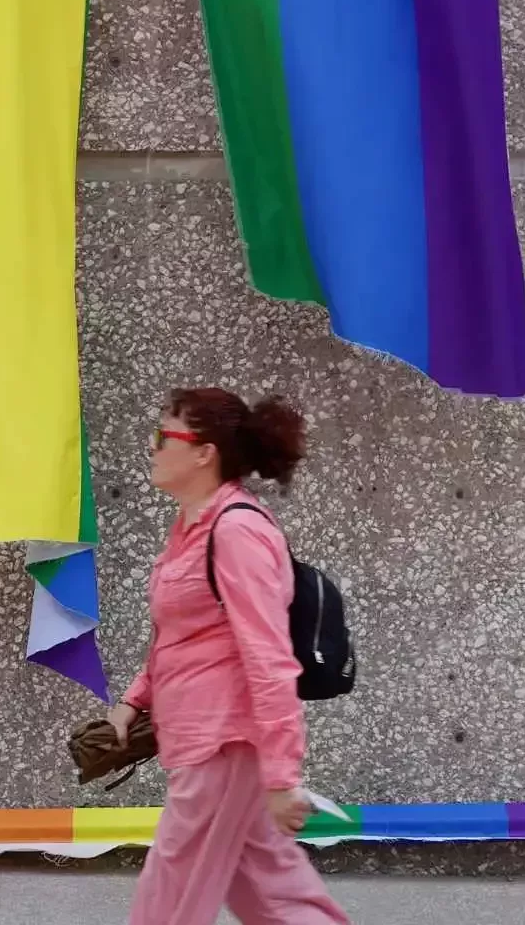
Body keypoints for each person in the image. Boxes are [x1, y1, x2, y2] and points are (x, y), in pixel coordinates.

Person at [110, 388, 350, 925]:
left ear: (204, 452)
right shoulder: (192, 528)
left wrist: (282, 777)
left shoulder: (237, 530)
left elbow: (270, 659)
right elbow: (179, 633)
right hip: (206, 740)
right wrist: (134, 701)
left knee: (169, 899)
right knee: (275, 896)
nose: (151, 449)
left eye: (161, 436)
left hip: (223, 743)